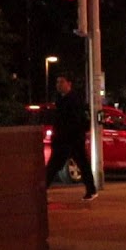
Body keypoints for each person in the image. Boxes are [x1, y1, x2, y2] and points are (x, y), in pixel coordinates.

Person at [45, 73, 98, 201]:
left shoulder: (74, 100)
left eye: (61, 82)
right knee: (56, 165)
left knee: (79, 164)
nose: (58, 85)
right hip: (64, 139)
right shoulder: (59, 99)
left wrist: (75, 132)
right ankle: (91, 190)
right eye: (57, 82)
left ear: (69, 84)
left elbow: (78, 119)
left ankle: (91, 190)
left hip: (72, 139)